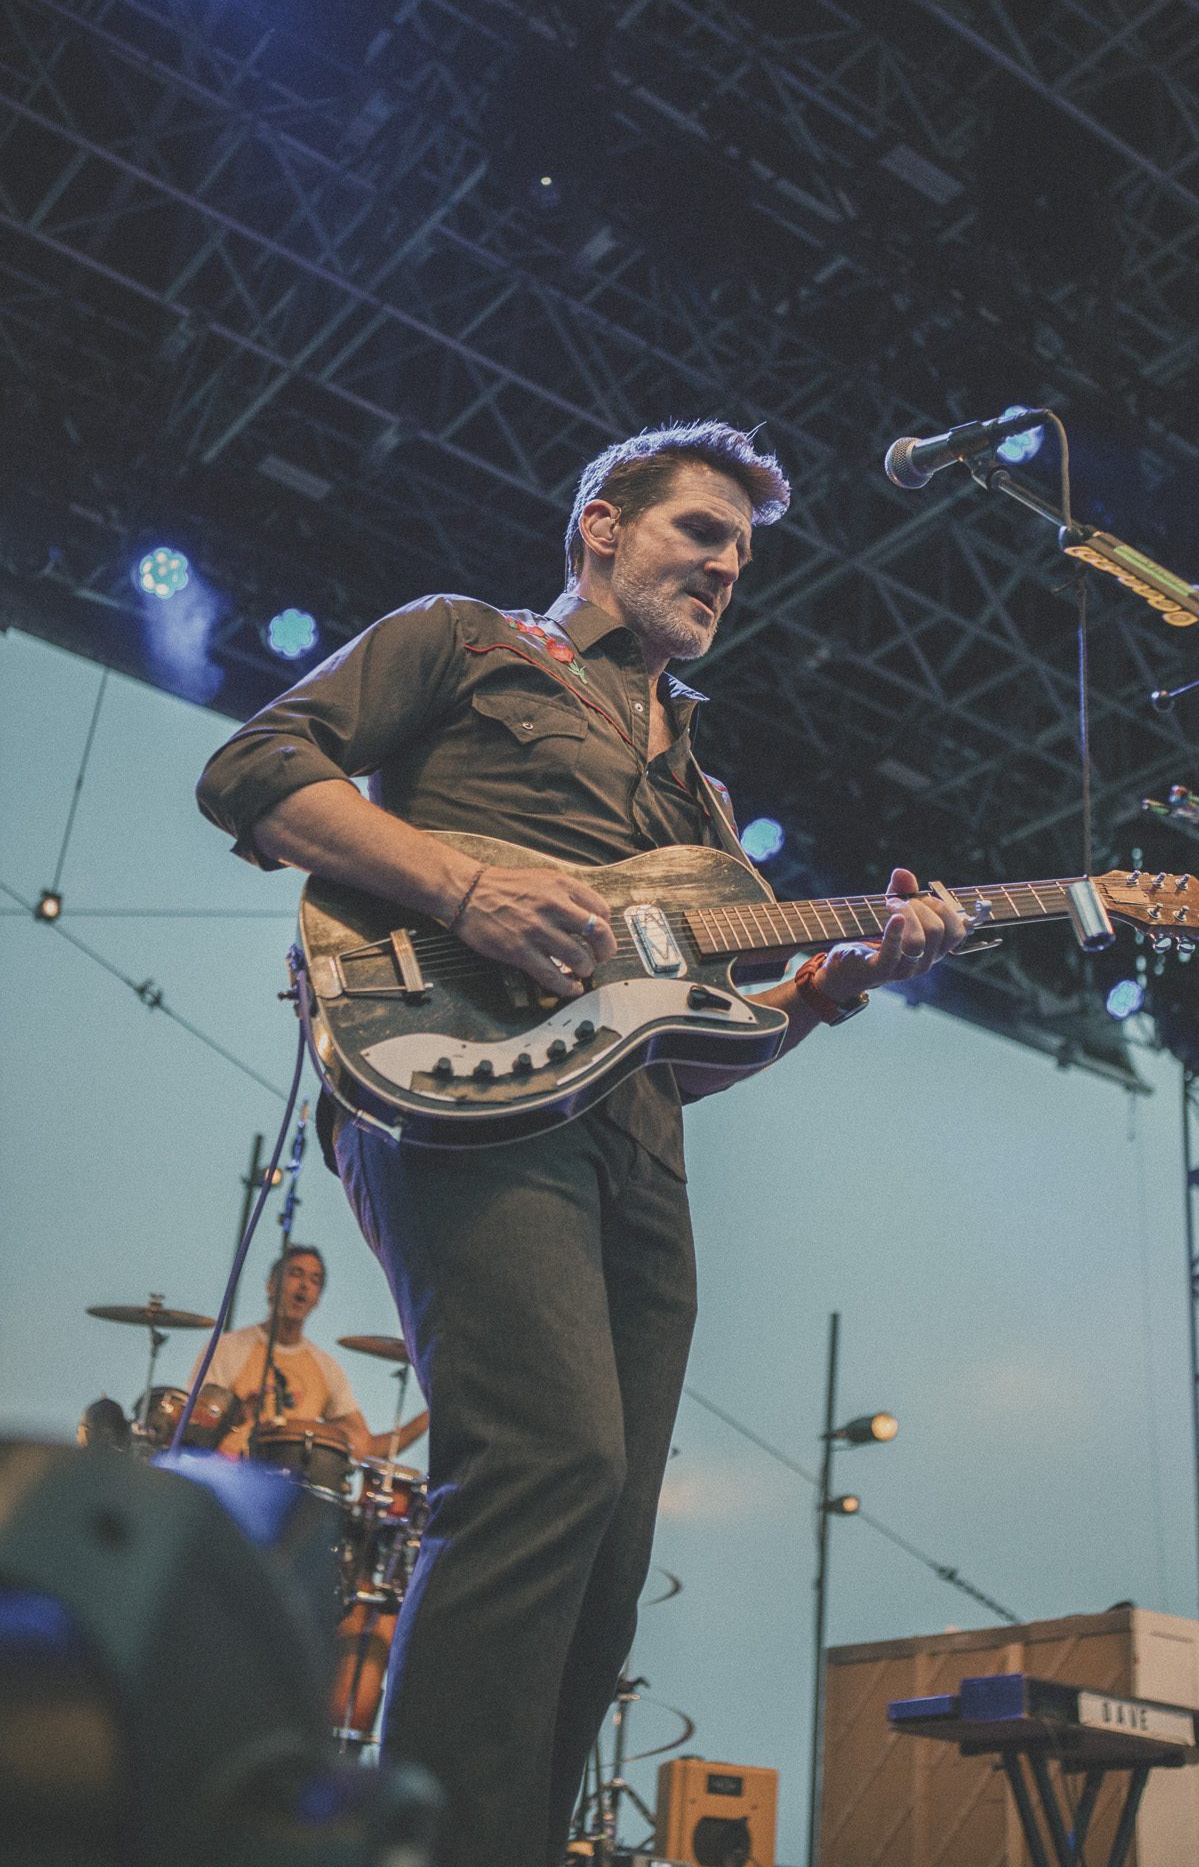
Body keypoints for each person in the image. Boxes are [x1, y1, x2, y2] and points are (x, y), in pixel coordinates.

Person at [196, 419, 966, 1866]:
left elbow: (697, 1051)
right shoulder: (462, 642)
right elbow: (253, 769)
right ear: (602, 526)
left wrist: (829, 990)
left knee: (605, 1549)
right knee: (542, 1467)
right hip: (448, 1080)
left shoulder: (703, 805)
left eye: (744, 553)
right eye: (701, 533)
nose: (728, 568)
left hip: (634, 1153)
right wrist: (462, 887)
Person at [188, 1242, 429, 1463]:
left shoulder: (325, 1367)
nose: (304, 1285)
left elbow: (366, 1447)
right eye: (296, 1274)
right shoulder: (228, 1348)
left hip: (293, 1492)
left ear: (317, 1299)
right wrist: (237, 1414)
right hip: (227, 1478)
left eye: (315, 1280)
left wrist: (434, 1410)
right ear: (271, 1285)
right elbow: (193, 1429)